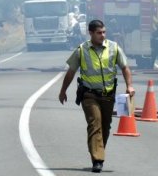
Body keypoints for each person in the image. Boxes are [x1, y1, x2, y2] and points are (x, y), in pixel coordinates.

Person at [58, 19, 135, 173]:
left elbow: (125, 67)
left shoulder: (114, 48)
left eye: (104, 32)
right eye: (99, 33)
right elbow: (71, 72)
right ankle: (97, 160)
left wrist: (129, 85)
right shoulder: (81, 50)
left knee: (105, 127)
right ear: (91, 33)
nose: (102, 35)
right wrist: (63, 91)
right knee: (95, 123)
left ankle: (98, 150)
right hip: (89, 95)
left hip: (108, 95)